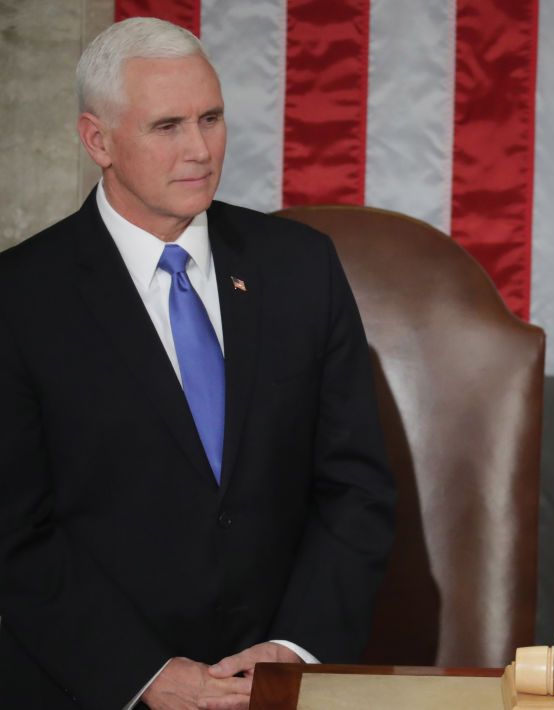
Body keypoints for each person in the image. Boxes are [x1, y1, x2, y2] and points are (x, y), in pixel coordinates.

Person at [0, 18, 395, 709]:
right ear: (98, 140)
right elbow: (14, 534)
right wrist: (144, 675)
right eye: (167, 127)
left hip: (279, 685)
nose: (200, 150)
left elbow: (356, 489)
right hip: (93, 688)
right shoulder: (21, 297)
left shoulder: (301, 268)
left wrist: (295, 649)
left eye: (210, 119)